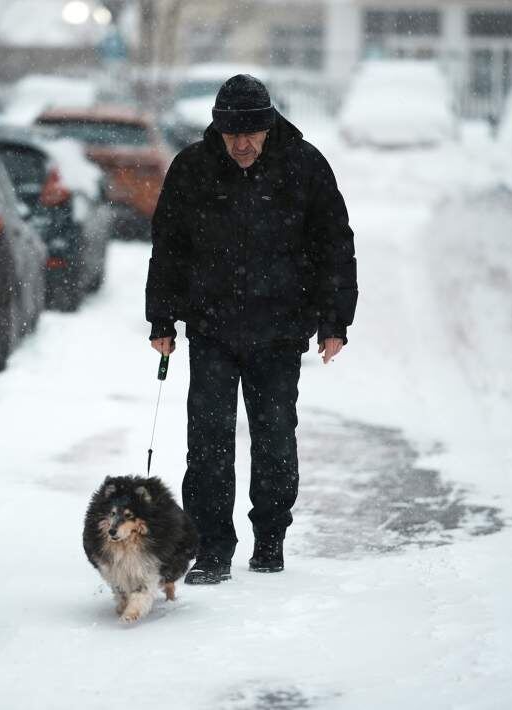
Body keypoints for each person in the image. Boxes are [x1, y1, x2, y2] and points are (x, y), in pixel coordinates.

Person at [145, 74, 358, 584]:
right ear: (216, 129)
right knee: (209, 441)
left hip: (281, 330)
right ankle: (213, 548)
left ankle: (270, 539)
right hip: (213, 328)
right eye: (230, 134)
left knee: (275, 438)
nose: (241, 145)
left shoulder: (304, 167)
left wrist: (335, 320)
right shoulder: (192, 169)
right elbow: (169, 246)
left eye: (251, 134)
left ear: (269, 127)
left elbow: (334, 244)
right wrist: (162, 315)